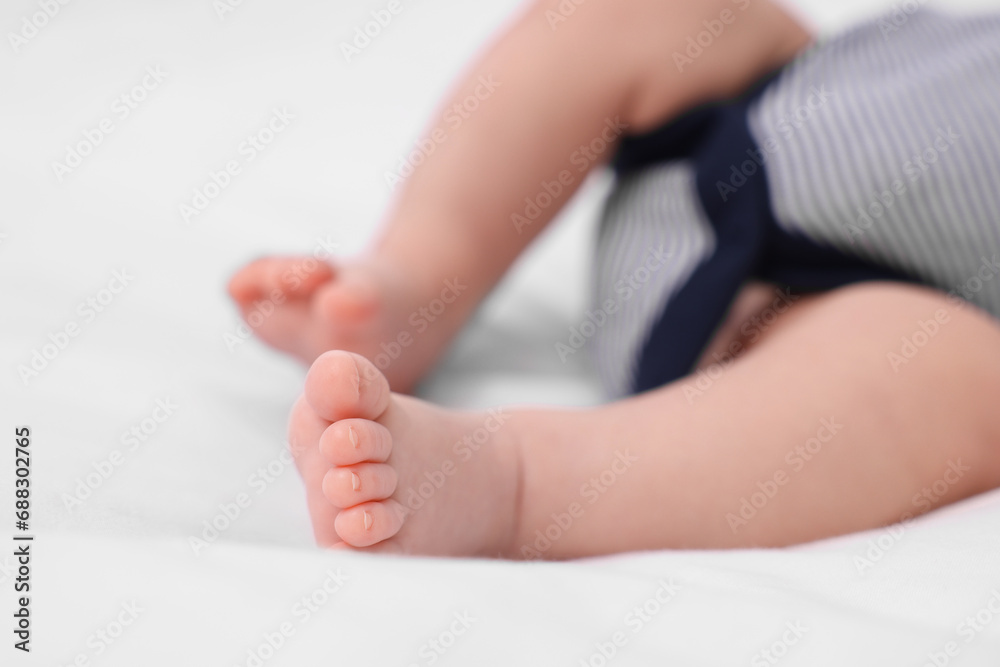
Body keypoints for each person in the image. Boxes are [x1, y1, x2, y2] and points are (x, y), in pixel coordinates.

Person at [227, 0, 1000, 558]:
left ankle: (518, 481)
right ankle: (413, 276)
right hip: (767, 88)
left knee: (960, 382)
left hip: (794, 312)